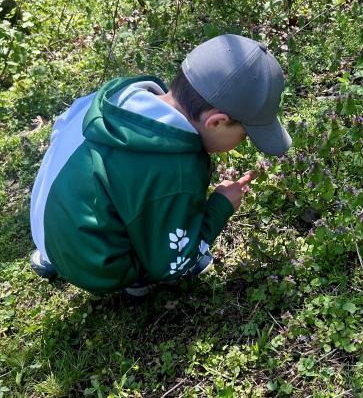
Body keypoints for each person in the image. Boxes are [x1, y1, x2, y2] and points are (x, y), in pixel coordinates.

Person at [29, 34, 292, 296]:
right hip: (95, 264)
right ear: (216, 122)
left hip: (46, 219)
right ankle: (129, 279)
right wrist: (221, 206)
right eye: (244, 134)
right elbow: (171, 266)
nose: (243, 141)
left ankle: (52, 253)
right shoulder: (177, 170)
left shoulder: (120, 94)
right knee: (177, 259)